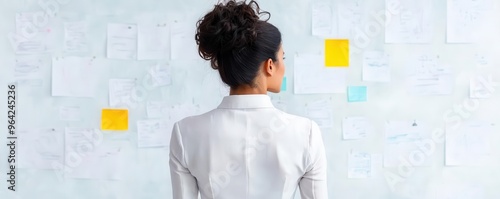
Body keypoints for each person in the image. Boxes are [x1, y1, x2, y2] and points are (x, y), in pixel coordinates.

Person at [169, 0, 328, 198]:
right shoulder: (307, 133)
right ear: (270, 65)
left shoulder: (185, 133)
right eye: (283, 58)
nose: (284, 67)